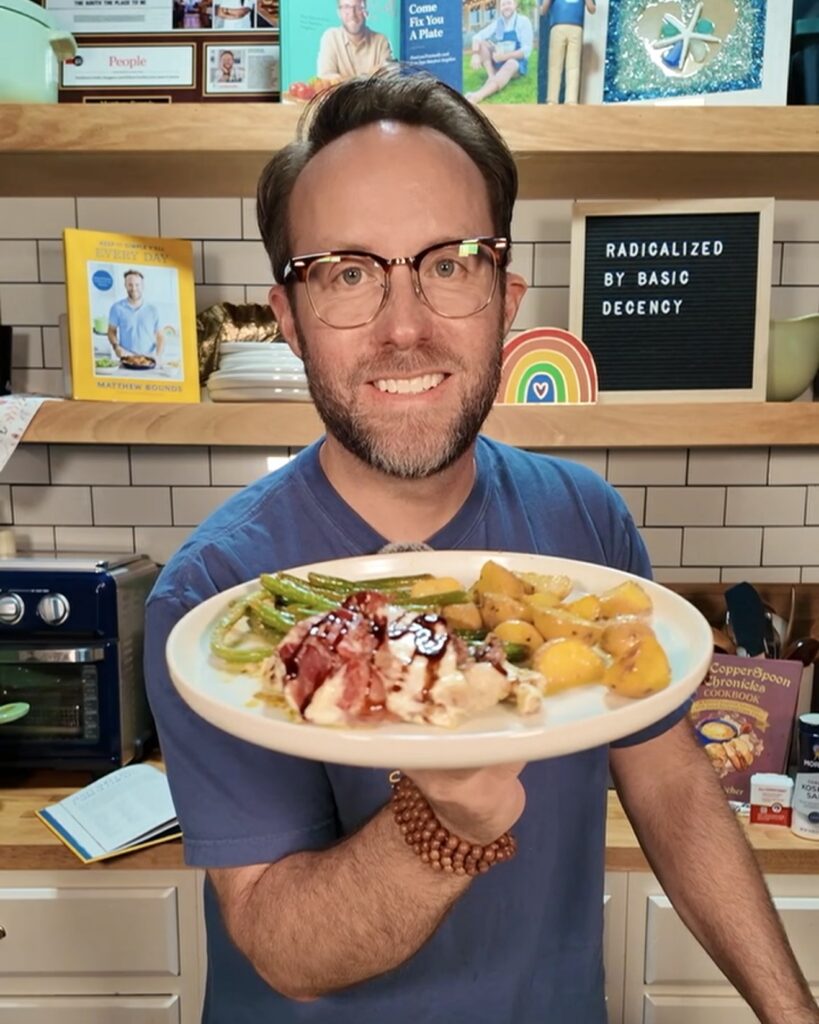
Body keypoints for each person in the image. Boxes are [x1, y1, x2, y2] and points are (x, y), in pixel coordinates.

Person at [144, 68, 819, 1024]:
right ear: (287, 318)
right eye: (346, 273)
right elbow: (280, 946)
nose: (405, 326)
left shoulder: (586, 526)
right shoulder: (214, 597)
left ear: (505, 296)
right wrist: (444, 821)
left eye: (448, 263)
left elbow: (669, 783)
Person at [466, 0, 534, 104]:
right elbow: (477, 37)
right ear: (500, 7)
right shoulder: (498, 23)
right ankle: (491, 76)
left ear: (515, 5)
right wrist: (475, 54)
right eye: (503, 4)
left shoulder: (523, 21)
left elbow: (526, 51)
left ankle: (478, 95)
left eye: (509, 3)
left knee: (511, 63)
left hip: (516, 63)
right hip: (499, 61)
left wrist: (504, 57)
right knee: (482, 44)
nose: (506, 7)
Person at [316, 0, 393, 83]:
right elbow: (326, 79)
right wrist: (369, 77)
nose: (352, 14)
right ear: (339, 12)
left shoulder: (381, 41)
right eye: (346, 7)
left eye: (358, 7)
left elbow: (387, 83)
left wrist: (342, 80)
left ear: (366, 12)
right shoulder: (330, 38)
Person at [540, 0, 595, 104]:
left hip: (576, 28)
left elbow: (592, 9)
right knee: (555, 65)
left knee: (573, 66)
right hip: (558, 26)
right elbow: (543, 10)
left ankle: (571, 100)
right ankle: (552, 99)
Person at [107, 269, 163, 364]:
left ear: (143, 286)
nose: (134, 288)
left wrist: (158, 355)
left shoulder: (153, 310)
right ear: (125, 286)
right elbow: (111, 331)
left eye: (137, 285)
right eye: (130, 285)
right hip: (126, 358)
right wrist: (116, 347)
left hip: (149, 359)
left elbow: (160, 336)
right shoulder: (116, 308)